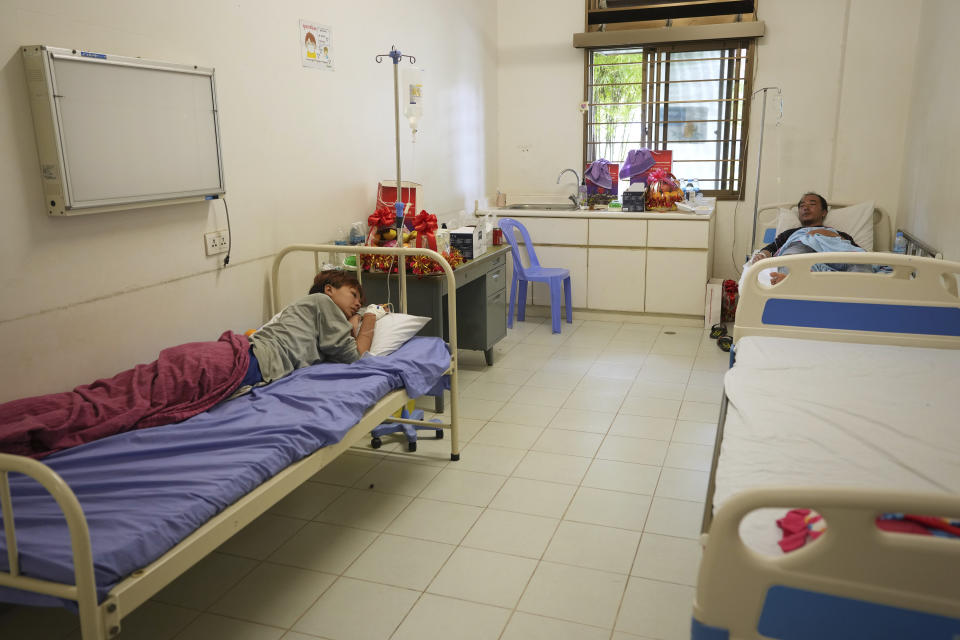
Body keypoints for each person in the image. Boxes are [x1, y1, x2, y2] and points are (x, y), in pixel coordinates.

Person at [0, 270, 379, 458]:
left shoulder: (310, 314)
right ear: (329, 289)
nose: (356, 303)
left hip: (220, 357)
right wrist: (369, 322)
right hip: (229, 362)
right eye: (353, 294)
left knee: (120, 397)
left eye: (361, 302)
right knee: (117, 402)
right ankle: (25, 427)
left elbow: (333, 350)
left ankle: (24, 424)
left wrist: (352, 322)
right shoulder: (323, 305)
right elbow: (351, 356)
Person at [749, 192, 863, 284]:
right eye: (802, 206)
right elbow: (771, 248)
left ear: (824, 212)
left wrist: (832, 236)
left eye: (812, 204)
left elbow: (859, 253)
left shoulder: (839, 233)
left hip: (834, 259)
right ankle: (798, 280)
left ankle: (799, 282)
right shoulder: (791, 233)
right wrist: (761, 255)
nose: (806, 208)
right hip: (804, 260)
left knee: (861, 263)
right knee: (792, 255)